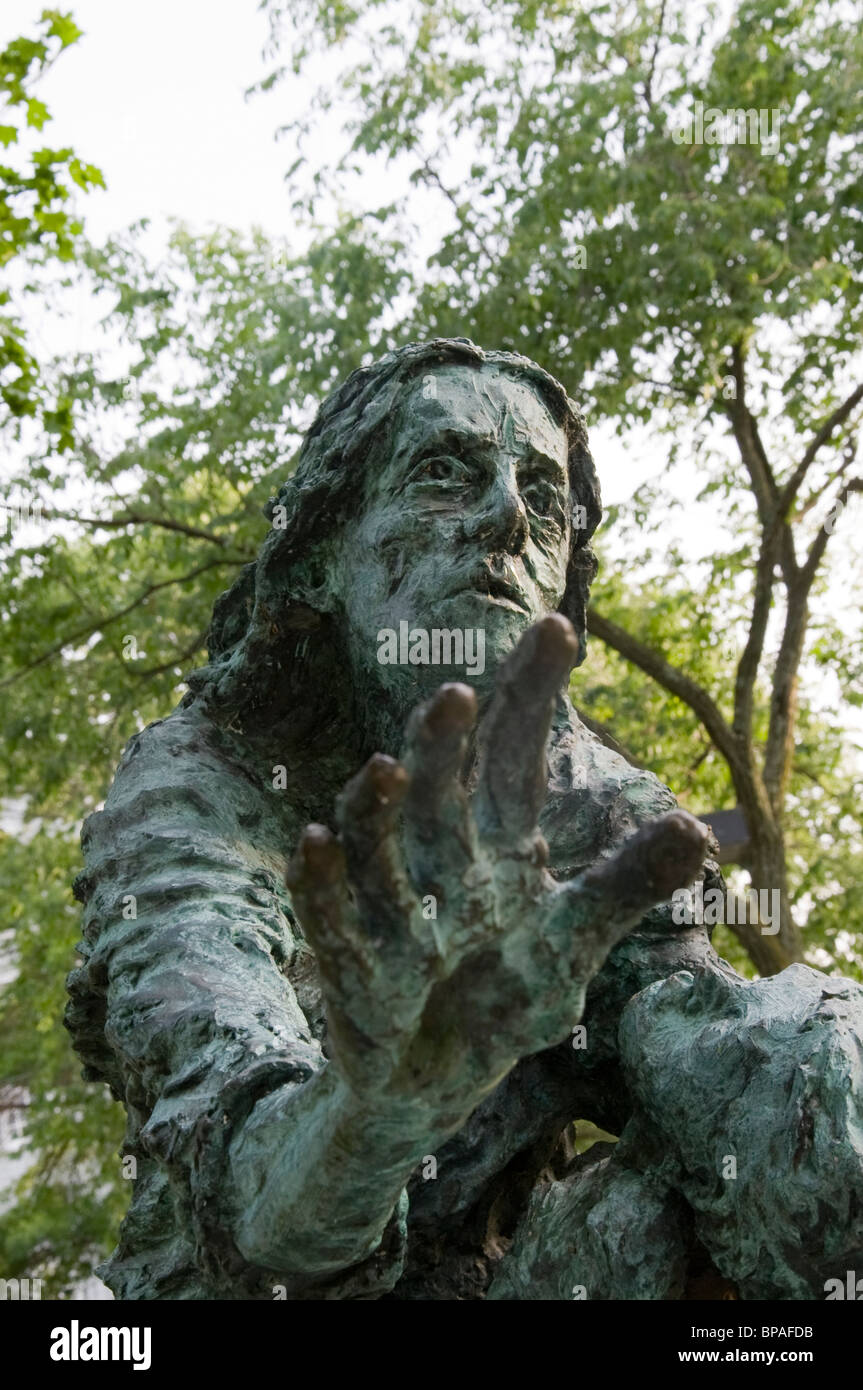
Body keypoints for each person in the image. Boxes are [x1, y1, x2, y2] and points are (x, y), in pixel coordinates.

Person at [66, 338, 728, 1300]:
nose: (507, 513)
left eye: (543, 501)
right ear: (321, 557)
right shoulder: (200, 785)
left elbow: (701, 1061)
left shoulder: (600, 813)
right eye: (441, 472)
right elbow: (252, 1198)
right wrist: (377, 1114)